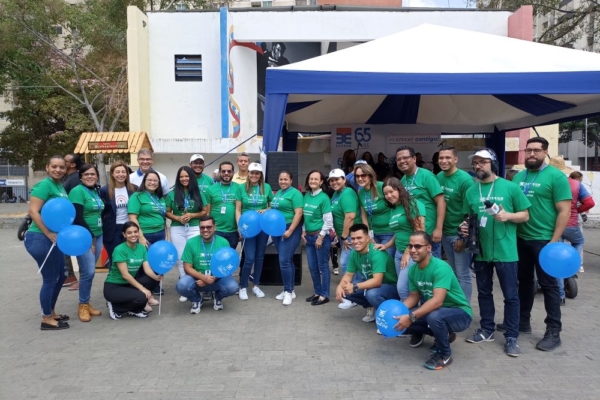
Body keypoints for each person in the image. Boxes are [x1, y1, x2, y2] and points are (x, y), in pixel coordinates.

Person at [463, 149, 530, 357]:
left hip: (506, 252)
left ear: (493, 163)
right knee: (484, 293)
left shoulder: (510, 187)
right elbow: (468, 217)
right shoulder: (471, 191)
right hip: (481, 251)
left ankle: (511, 336)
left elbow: (525, 215)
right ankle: (487, 329)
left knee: (511, 295)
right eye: (475, 163)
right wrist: (463, 226)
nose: (478, 166)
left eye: (483, 162)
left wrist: (508, 215)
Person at [512, 137, 571, 352]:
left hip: (545, 240)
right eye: (528, 150)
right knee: (525, 282)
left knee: (549, 285)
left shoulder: (556, 176)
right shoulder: (518, 177)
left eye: (536, 150)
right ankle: (522, 322)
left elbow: (564, 211)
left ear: (545, 152)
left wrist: (553, 242)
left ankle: (553, 331)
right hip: (520, 239)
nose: (531, 154)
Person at [394, 231, 472, 371]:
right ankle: (446, 335)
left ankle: (444, 355)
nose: (413, 250)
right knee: (401, 319)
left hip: (460, 313)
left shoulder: (440, 268)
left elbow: (437, 301)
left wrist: (411, 317)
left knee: (432, 316)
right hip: (437, 311)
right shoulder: (413, 270)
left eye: (418, 246)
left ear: (429, 248)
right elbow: (413, 297)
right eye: (410, 246)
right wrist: (397, 311)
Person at [24, 155, 71, 330]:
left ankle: (51, 311)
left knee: (62, 275)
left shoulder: (59, 186)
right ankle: (46, 318)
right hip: (40, 238)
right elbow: (33, 211)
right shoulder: (44, 185)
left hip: (53, 239)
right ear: (47, 167)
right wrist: (48, 233)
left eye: (61, 167)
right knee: (51, 278)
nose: (58, 170)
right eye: (54, 167)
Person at [335, 223, 399, 326]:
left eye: (359, 238)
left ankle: (387, 317)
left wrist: (355, 287)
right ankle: (371, 306)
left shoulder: (377, 252)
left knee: (372, 293)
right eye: (353, 238)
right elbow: (348, 275)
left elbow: (377, 281)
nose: (356, 241)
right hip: (371, 285)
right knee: (346, 290)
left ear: (368, 238)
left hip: (390, 287)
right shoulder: (354, 253)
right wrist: (339, 287)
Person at [175, 216, 239, 314]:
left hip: (218, 278)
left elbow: (227, 266)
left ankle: (217, 297)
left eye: (208, 227)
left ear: (214, 227)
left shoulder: (223, 242)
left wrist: (213, 278)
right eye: (202, 227)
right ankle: (197, 300)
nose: (205, 230)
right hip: (197, 279)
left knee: (233, 287)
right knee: (181, 285)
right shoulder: (191, 242)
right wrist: (203, 278)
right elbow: (187, 267)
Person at [436, 146, 475, 302]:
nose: (444, 161)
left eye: (448, 158)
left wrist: (462, 237)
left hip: (458, 234)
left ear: (456, 159)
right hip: (444, 232)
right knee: (452, 271)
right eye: (441, 158)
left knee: (463, 273)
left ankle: (464, 307)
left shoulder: (465, 180)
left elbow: (470, 211)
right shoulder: (439, 176)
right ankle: (456, 302)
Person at [378, 178, 425, 301]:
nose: (389, 195)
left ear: (400, 190)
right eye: (386, 193)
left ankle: (410, 316)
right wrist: (387, 245)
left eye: (392, 191)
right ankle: (409, 315)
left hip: (413, 253)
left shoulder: (413, 204)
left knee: (402, 288)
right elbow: (398, 232)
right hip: (399, 253)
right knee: (407, 288)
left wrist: (407, 252)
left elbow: (420, 232)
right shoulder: (393, 208)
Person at [104, 222, 163, 319]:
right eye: (129, 233)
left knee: (151, 279)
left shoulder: (142, 248)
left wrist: (157, 277)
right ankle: (116, 307)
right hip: (114, 287)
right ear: (124, 234)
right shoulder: (120, 250)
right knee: (142, 297)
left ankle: (134, 310)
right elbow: (125, 275)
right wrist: (142, 289)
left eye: (136, 232)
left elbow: (147, 269)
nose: (133, 235)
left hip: (128, 284)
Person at [166, 166, 208, 303]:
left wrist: (192, 215)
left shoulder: (198, 193)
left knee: (195, 258)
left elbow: (204, 211)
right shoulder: (172, 194)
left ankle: (199, 286)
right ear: (178, 178)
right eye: (181, 176)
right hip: (177, 228)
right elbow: (167, 212)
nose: (184, 179)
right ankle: (186, 288)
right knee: (181, 259)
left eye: (187, 176)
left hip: (195, 227)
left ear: (191, 178)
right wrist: (178, 218)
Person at [69, 164, 105, 322]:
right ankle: (82, 305)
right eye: (86, 174)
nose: (90, 176)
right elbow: (77, 216)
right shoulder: (77, 191)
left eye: (93, 174)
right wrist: (89, 237)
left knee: (87, 272)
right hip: (84, 237)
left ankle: (86, 302)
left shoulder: (95, 190)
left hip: (98, 235)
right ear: (81, 176)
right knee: (88, 271)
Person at [396, 146, 446, 258]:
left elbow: (441, 201)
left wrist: (438, 228)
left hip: (429, 234)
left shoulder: (426, 176)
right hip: (414, 233)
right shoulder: (403, 180)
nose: (402, 161)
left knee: (431, 271)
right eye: (398, 159)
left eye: (405, 158)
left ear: (414, 159)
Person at [235, 162, 273, 300]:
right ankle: (243, 286)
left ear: (260, 175)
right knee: (249, 258)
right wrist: (239, 227)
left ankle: (256, 285)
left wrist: (266, 210)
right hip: (248, 227)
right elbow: (238, 209)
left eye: (257, 173)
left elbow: (272, 205)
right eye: (252, 173)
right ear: (248, 173)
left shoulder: (266, 187)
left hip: (262, 227)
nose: (254, 175)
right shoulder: (241, 188)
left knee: (259, 257)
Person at [127, 171, 167, 298]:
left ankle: (155, 285)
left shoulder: (159, 197)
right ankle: (141, 290)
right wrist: (141, 237)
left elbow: (163, 217)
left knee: (157, 260)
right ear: (144, 181)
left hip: (160, 233)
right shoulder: (137, 196)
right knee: (143, 263)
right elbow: (133, 217)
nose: (152, 182)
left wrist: (167, 235)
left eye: (155, 180)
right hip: (145, 234)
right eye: (149, 180)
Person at [557, 171, 594, 303]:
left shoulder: (552, 182)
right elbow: (590, 203)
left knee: (557, 260)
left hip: (554, 225)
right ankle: (572, 264)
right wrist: (577, 210)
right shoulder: (576, 184)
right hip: (571, 224)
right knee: (579, 241)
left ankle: (560, 295)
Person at [271, 170, 304, 306]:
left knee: (284, 260)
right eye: (281, 179)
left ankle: (288, 291)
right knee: (287, 260)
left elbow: (299, 213)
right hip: (277, 230)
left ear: (291, 181)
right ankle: (290, 289)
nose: (283, 181)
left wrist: (290, 230)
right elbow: (276, 209)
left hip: (290, 228)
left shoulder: (295, 193)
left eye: (285, 179)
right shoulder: (278, 193)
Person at [328, 168, 361, 299]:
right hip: (344, 236)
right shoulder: (337, 194)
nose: (334, 182)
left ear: (344, 180)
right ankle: (353, 296)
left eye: (337, 179)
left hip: (351, 236)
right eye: (331, 180)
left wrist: (344, 236)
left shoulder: (347, 193)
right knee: (350, 265)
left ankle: (354, 295)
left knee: (347, 265)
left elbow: (350, 216)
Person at [302, 170, 333, 306]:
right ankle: (317, 292)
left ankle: (324, 295)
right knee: (312, 267)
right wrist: (303, 231)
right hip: (309, 237)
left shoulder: (324, 198)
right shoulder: (307, 196)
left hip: (320, 237)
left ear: (321, 182)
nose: (313, 181)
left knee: (323, 267)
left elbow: (328, 221)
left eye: (316, 179)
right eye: (311, 178)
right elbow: (305, 216)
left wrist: (321, 236)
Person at [100, 161, 137, 269]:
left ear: (127, 173)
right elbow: (102, 211)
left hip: (130, 228)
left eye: (123, 172)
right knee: (115, 260)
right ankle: (114, 284)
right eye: (117, 172)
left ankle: (129, 284)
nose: (121, 174)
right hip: (112, 229)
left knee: (130, 259)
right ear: (112, 173)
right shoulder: (105, 190)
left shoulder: (134, 189)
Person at [355, 164, 394, 259]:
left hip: (388, 232)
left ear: (370, 175)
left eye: (363, 175)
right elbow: (364, 216)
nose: (360, 178)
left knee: (386, 261)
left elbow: (395, 205)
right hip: (373, 233)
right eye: (357, 176)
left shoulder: (381, 187)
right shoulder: (361, 192)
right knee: (375, 261)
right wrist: (368, 234)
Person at [205, 162, 240, 248]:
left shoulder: (239, 188)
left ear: (233, 173)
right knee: (215, 257)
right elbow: (207, 212)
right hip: (216, 230)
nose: (226, 173)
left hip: (233, 231)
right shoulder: (211, 189)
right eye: (223, 171)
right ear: (219, 173)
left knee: (230, 257)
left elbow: (240, 209)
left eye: (229, 171)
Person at [62, 153, 83, 287]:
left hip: (74, 221)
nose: (62, 162)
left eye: (65, 161)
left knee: (75, 250)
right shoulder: (69, 178)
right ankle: (71, 277)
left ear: (72, 164)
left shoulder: (75, 179)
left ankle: (74, 278)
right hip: (70, 220)